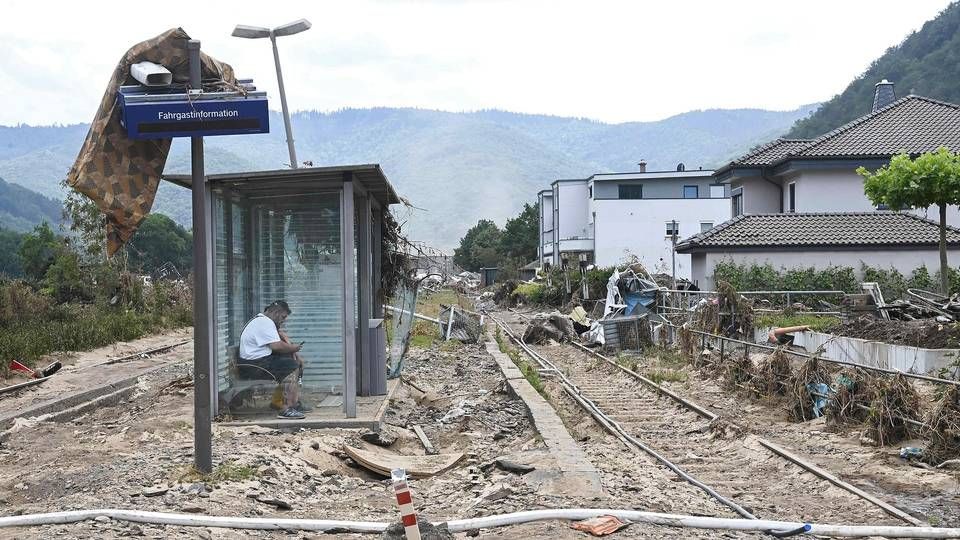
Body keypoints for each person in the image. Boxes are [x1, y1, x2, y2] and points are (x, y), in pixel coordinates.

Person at [239, 300, 306, 419]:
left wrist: (292, 351)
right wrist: (294, 348)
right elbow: (277, 346)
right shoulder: (264, 323)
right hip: (254, 366)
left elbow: (280, 336)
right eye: (283, 317)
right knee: (291, 366)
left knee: (290, 362)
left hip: (255, 362)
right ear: (276, 313)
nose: (283, 320)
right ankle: (286, 409)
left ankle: (282, 402)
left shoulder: (262, 321)